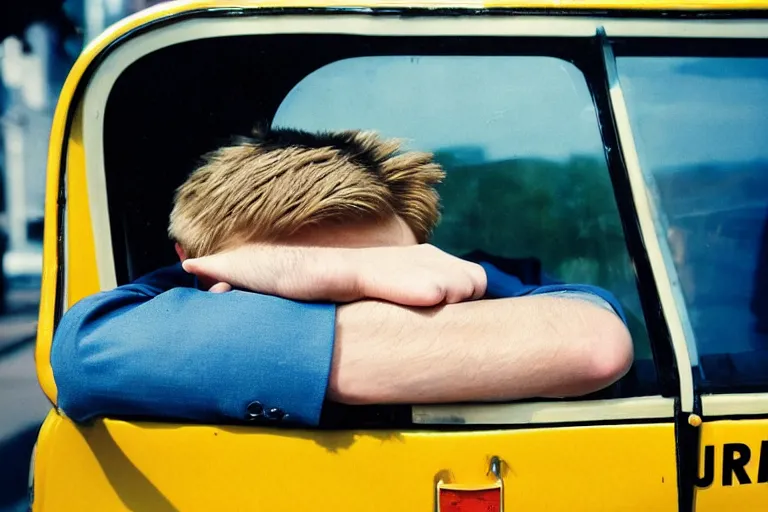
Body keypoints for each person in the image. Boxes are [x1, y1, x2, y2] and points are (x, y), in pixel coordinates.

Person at [51, 128, 633, 427]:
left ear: (421, 256)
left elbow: (592, 343)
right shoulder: (130, 322)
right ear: (192, 260)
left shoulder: (475, 278)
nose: (368, 292)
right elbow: (87, 353)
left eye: (387, 279)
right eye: (281, 294)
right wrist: (342, 272)